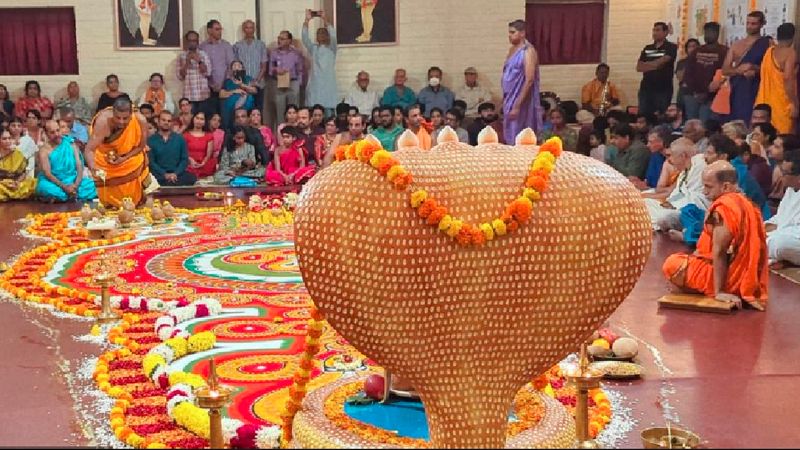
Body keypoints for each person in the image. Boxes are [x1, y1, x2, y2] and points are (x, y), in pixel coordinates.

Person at [662, 160, 768, 311]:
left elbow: (719, 251)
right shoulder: (747, 204)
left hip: (730, 278)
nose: (704, 192)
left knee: (672, 263)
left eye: (708, 187)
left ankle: (714, 289)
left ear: (725, 186)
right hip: (747, 279)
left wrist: (720, 292)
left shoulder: (724, 208)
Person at [679, 134, 770, 246]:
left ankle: (694, 238)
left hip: (743, 220)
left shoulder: (737, 172)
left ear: (722, 156)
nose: (705, 157)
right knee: (689, 210)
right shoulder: (717, 169)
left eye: (710, 153)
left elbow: (737, 208)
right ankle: (696, 236)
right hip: (723, 213)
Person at [85, 98, 152, 207]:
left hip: (130, 158)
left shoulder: (140, 120)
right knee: (99, 166)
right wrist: (93, 167)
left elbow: (141, 146)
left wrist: (124, 158)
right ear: (113, 113)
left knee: (138, 160)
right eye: (117, 117)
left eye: (125, 118)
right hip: (106, 161)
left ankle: (138, 202)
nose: (121, 121)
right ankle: (109, 205)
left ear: (132, 114)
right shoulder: (103, 122)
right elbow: (89, 149)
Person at [644, 137, 707, 231]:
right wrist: (669, 202)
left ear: (683, 155)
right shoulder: (685, 169)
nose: (670, 160)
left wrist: (674, 204)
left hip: (693, 210)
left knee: (664, 216)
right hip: (676, 204)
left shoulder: (699, 166)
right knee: (645, 203)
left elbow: (696, 197)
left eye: (672, 155)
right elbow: (678, 191)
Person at [722, 11, 771, 125]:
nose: (749, 26)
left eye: (753, 24)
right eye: (748, 23)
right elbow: (725, 70)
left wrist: (755, 68)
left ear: (762, 24)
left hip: (758, 87)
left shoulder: (767, 43)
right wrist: (739, 70)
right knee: (737, 122)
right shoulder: (737, 44)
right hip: (738, 89)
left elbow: (771, 69)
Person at [35, 120, 96, 202]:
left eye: (58, 130)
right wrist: (64, 187)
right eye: (52, 132)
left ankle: (67, 195)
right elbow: (48, 174)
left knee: (93, 185)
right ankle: (71, 195)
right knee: (43, 187)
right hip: (55, 182)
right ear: (46, 134)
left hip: (73, 180)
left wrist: (76, 186)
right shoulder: (44, 150)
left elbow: (79, 166)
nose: (56, 134)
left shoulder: (70, 143)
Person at [502, 19, 543, 141]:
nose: (509, 35)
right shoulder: (512, 50)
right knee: (509, 132)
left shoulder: (528, 51)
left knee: (519, 133)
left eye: (513, 32)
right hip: (509, 97)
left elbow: (529, 79)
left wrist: (517, 105)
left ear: (522, 33)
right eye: (509, 32)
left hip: (521, 100)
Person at [755, 23, 798, 134]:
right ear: (793, 37)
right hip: (782, 103)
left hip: (764, 101)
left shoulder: (769, 51)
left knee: (764, 136)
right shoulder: (790, 53)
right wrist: (794, 103)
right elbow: (788, 78)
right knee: (782, 137)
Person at [683, 22, 728, 122]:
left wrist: (707, 92)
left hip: (712, 96)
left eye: (711, 32)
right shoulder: (696, 51)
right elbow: (688, 72)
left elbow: (725, 72)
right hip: (693, 94)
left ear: (717, 34)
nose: (708, 35)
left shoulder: (724, 51)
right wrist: (696, 91)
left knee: (704, 125)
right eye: (706, 32)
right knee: (691, 125)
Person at [766, 151, 800, 268]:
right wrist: (762, 228)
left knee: (780, 244)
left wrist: (770, 236)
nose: (781, 176)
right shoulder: (791, 189)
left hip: (790, 240)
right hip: (780, 235)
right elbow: (779, 219)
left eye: (785, 173)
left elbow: (795, 231)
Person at [636, 22, 678, 117]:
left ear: (665, 32)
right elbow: (639, 67)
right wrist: (655, 65)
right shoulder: (648, 48)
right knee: (643, 116)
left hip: (663, 89)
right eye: (654, 30)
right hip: (646, 89)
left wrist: (647, 65)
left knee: (660, 116)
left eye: (658, 30)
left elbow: (663, 61)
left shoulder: (671, 47)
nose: (655, 33)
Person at [147, 111, 196, 186]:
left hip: (177, 174)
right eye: (163, 120)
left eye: (169, 121)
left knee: (191, 178)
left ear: (172, 123)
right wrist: (164, 174)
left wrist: (175, 174)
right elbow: (151, 162)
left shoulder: (179, 139)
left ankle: (170, 181)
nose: (166, 123)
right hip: (159, 175)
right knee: (150, 180)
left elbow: (184, 159)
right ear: (158, 121)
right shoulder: (151, 140)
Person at [303, 9, 338, 114]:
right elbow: (305, 38)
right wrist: (307, 20)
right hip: (315, 85)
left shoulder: (332, 48)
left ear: (327, 36)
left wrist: (324, 18)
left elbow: (333, 35)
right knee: (314, 112)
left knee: (328, 115)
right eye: (319, 33)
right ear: (316, 37)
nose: (321, 35)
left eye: (324, 33)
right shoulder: (313, 49)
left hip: (328, 85)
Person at [268, 30, 304, 130]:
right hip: (279, 83)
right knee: (280, 112)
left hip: (293, 83)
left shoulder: (296, 53)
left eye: (282, 39)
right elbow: (270, 70)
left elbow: (300, 69)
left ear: (289, 41)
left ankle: (295, 133)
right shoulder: (274, 53)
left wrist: (298, 84)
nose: (279, 40)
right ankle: (281, 135)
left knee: (294, 112)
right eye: (279, 38)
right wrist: (276, 70)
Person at [200, 19, 236, 116]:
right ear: (209, 31)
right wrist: (210, 83)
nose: (220, 32)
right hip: (207, 88)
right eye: (217, 29)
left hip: (225, 86)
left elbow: (231, 66)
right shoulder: (202, 47)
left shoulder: (226, 46)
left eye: (220, 29)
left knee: (225, 114)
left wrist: (224, 84)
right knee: (210, 114)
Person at [233, 20, 269, 114]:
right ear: (243, 30)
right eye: (247, 28)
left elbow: (264, 66)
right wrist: (241, 82)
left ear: (254, 29)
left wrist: (255, 81)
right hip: (242, 84)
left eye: (251, 28)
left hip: (257, 84)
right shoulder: (237, 46)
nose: (249, 30)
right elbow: (235, 66)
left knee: (257, 111)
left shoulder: (261, 45)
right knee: (242, 110)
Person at [177, 30, 212, 115]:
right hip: (189, 96)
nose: (192, 43)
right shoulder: (181, 56)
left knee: (203, 120)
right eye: (190, 41)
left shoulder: (203, 54)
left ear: (197, 42)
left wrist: (199, 61)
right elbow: (180, 76)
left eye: (194, 41)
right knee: (190, 120)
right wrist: (187, 62)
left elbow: (208, 73)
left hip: (203, 95)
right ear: (186, 42)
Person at [0, 127, 36, 202]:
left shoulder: (17, 153)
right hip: (2, 183)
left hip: (15, 182)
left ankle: (10, 195)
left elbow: (23, 172)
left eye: (9, 138)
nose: (8, 141)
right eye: (4, 139)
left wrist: (17, 182)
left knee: (33, 183)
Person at [220, 60, 258, 130]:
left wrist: (242, 85)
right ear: (231, 70)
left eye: (239, 66)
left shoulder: (248, 79)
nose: (237, 68)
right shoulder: (228, 81)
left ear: (243, 68)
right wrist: (234, 91)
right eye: (234, 66)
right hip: (230, 110)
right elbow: (221, 94)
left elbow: (254, 91)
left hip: (246, 107)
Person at [183, 112, 216, 179]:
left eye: (201, 119)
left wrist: (203, 162)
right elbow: (183, 152)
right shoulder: (185, 135)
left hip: (204, 163)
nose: (199, 121)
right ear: (193, 119)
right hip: (189, 163)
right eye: (197, 118)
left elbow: (208, 155)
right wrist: (190, 160)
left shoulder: (209, 135)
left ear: (204, 122)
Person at [675, 38, 700, 113]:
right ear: (686, 49)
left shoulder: (702, 62)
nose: (692, 49)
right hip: (683, 93)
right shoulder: (682, 62)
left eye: (694, 46)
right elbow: (680, 77)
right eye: (690, 46)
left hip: (696, 94)